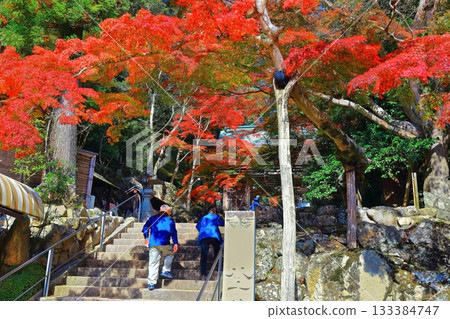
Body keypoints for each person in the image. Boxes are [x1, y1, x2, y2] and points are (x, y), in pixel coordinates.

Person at [142, 204, 179, 291]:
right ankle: (165, 270)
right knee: (170, 253)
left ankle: (151, 283)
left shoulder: (152, 218)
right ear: (168, 211)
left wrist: (146, 237)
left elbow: (145, 228)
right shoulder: (170, 220)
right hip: (164, 243)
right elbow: (174, 232)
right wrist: (175, 243)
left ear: (160, 210)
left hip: (153, 243)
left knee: (153, 263)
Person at [196, 205, 224, 280]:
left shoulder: (203, 217)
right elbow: (222, 223)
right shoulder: (215, 216)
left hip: (204, 237)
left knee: (204, 256)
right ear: (215, 211)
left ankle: (203, 275)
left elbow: (197, 226)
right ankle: (219, 270)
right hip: (214, 236)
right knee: (217, 253)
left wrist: (202, 231)